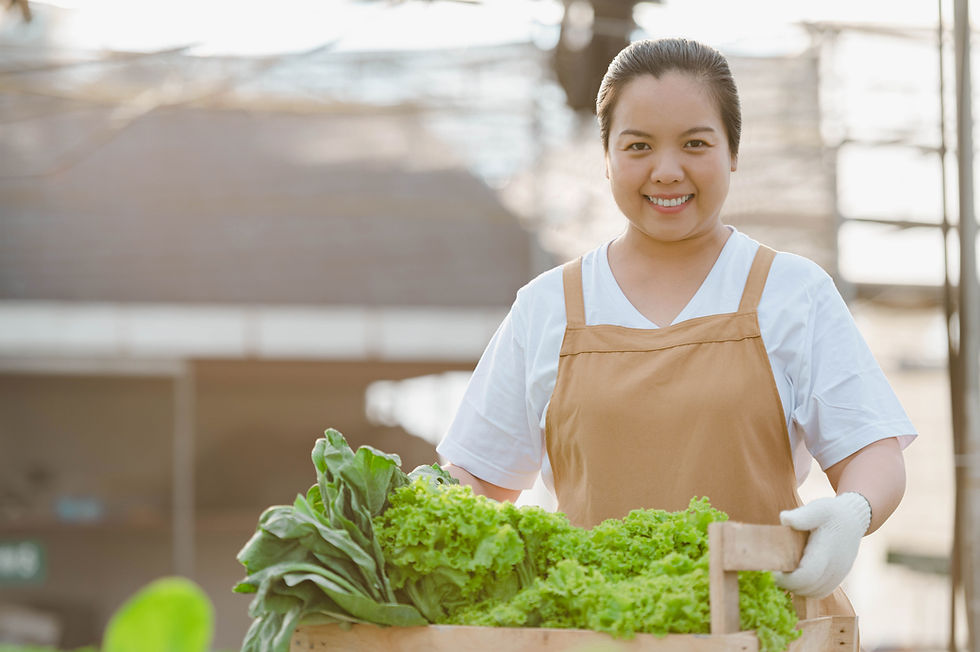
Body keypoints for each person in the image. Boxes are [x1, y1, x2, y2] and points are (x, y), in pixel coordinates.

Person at [436, 37, 916, 615]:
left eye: (695, 144)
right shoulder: (547, 307)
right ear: (607, 156)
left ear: (732, 152)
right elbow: (480, 479)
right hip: (590, 632)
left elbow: (873, 449)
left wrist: (854, 510)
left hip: (757, 629)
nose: (667, 171)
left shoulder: (793, 292)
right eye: (638, 146)